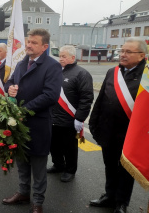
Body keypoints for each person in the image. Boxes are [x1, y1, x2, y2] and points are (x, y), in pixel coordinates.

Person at [3, 29, 63, 213]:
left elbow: (50, 95)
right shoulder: (23, 63)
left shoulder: (52, 66)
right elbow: (10, 81)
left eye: (34, 43)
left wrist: (23, 110)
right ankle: (23, 193)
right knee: (22, 161)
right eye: (28, 41)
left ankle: (37, 202)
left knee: (38, 166)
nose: (28, 45)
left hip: (37, 124)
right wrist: (10, 88)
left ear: (45, 47)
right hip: (20, 124)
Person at [89, 38, 147, 213]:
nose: (122, 54)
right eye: (122, 51)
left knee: (126, 170)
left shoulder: (147, 76)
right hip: (108, 131)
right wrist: (94, 124)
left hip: (130, 134)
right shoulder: (112, 72)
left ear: (141, 55)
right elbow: (100, 101)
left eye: (128, 52)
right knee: (110, 166)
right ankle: (109, 196)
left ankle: (121, 203)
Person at [48, 45, 94, 182]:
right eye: (60, 56)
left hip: (69, 118)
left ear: (72, 58)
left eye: (64, 56)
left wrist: (80, 118)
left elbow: (86, 98)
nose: (60, 59)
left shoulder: (82, 74)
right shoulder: (56, 71)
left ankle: (70, 170)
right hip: (53, 117)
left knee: (69, 147)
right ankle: (58, 165)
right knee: (53, 144)